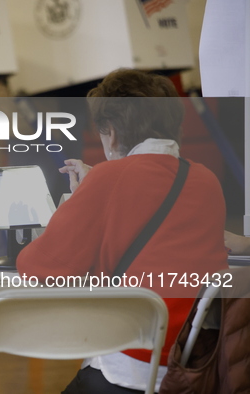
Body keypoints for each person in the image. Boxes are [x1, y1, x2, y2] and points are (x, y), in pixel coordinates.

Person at [16, 68, 229, 393]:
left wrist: (77, 203)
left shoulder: (108, 177)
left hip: (131, 368)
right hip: (192, 364)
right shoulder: (207, 180)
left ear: (111, 132)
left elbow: (37, 268)